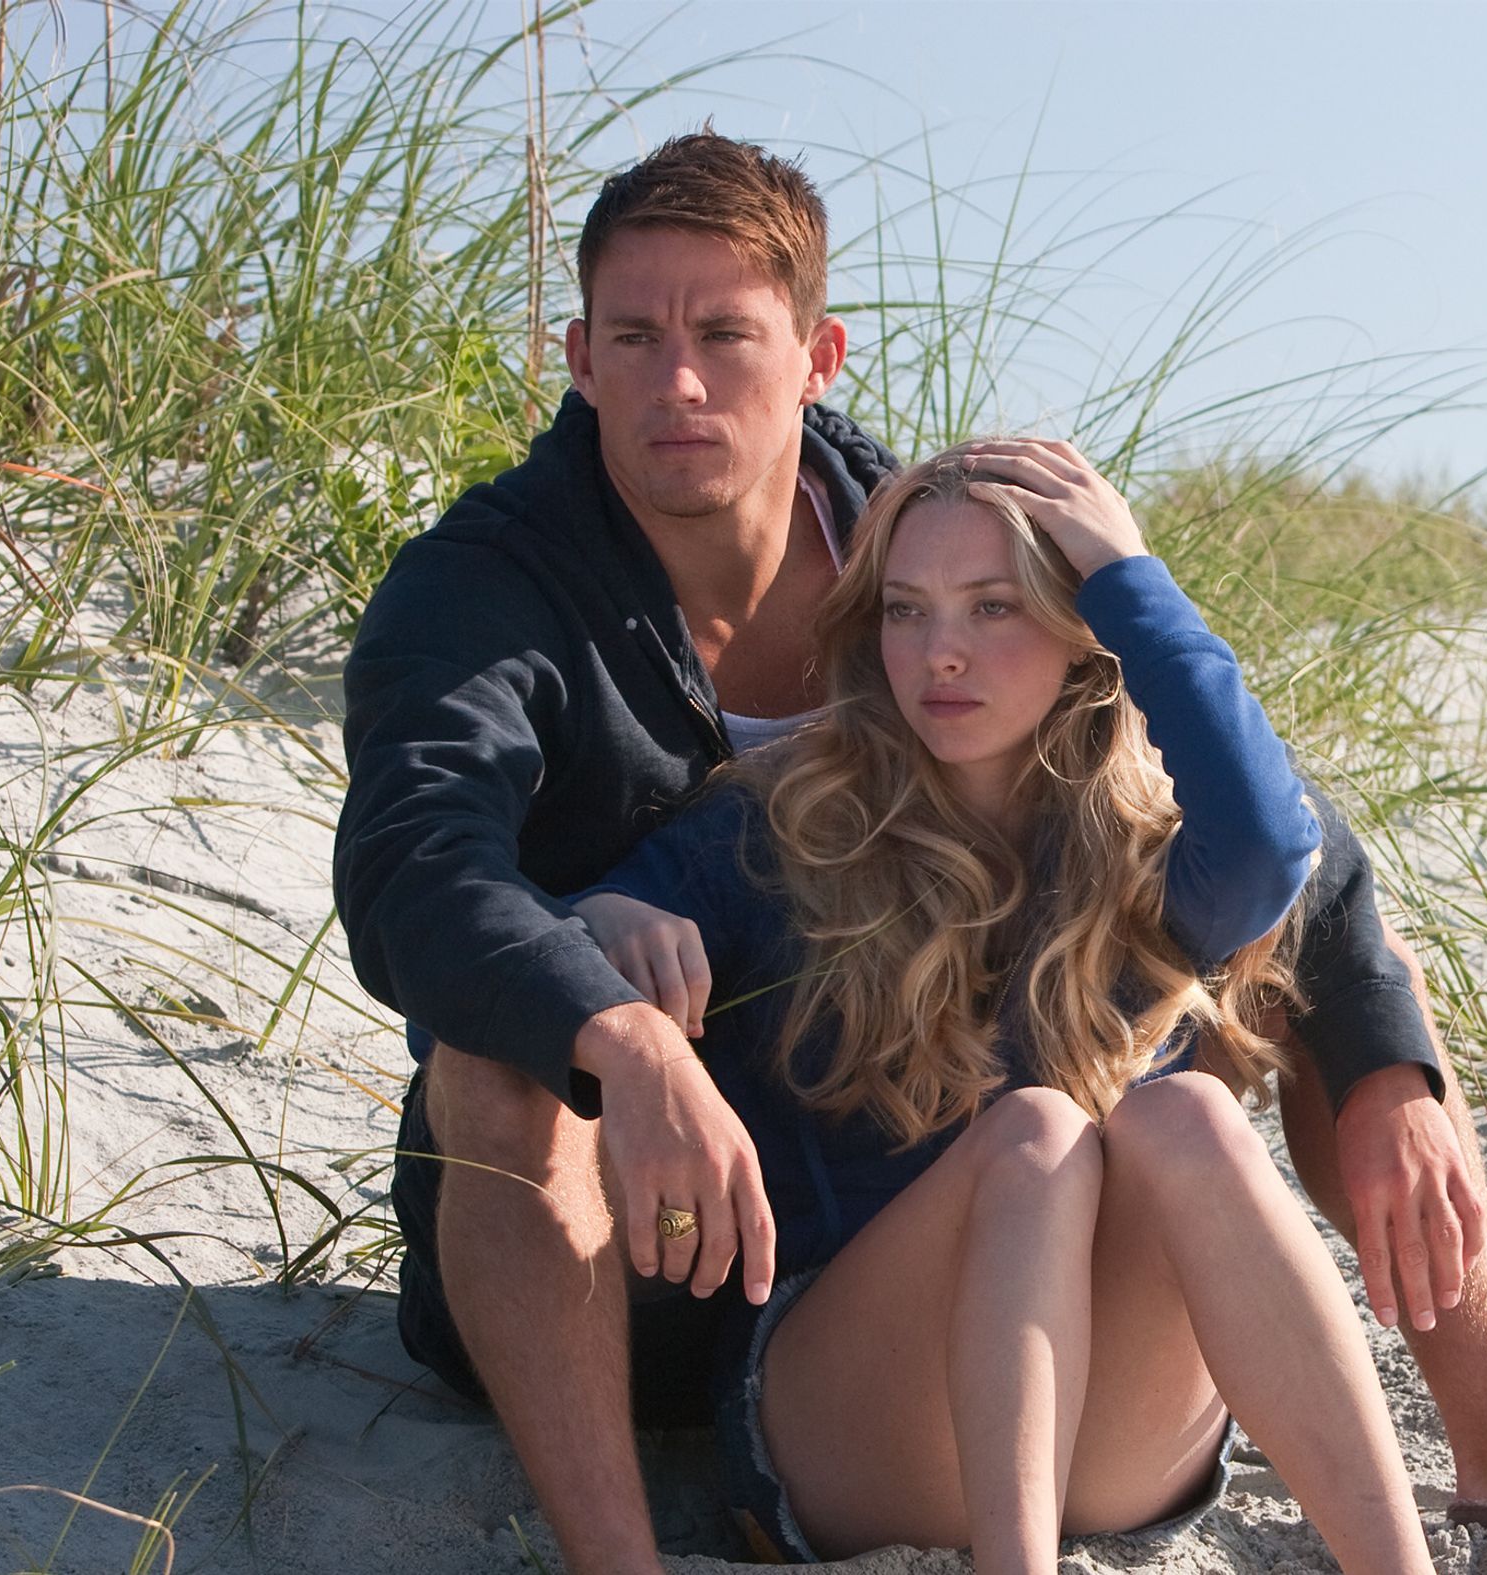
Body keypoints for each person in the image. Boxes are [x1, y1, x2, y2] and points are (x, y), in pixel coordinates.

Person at [332, 131, 1487, 1575]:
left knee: (1233, 1044)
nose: (678, 379)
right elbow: (417, 869)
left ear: (817, 353)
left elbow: (1267, 833)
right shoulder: (489, 593)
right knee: (501, 1043)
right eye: (634, 335)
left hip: (979, 1236)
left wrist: (1388, 1057)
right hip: (655, 1247)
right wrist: (605, 994)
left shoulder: (923, 528)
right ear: (577, 354)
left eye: (725, 334)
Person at [558, 439, 1428, 1572]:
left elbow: (1273, 842)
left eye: (993, 607)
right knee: (1037, 1133)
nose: (942, 653)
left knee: (1190, 1117)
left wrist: (1128, 575)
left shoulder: (1147, 855)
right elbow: (533, 955)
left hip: (1107, 1440)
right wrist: (604, 917)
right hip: (847, 1431)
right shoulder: (789, 826)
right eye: (906, 610)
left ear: (1083, 632)